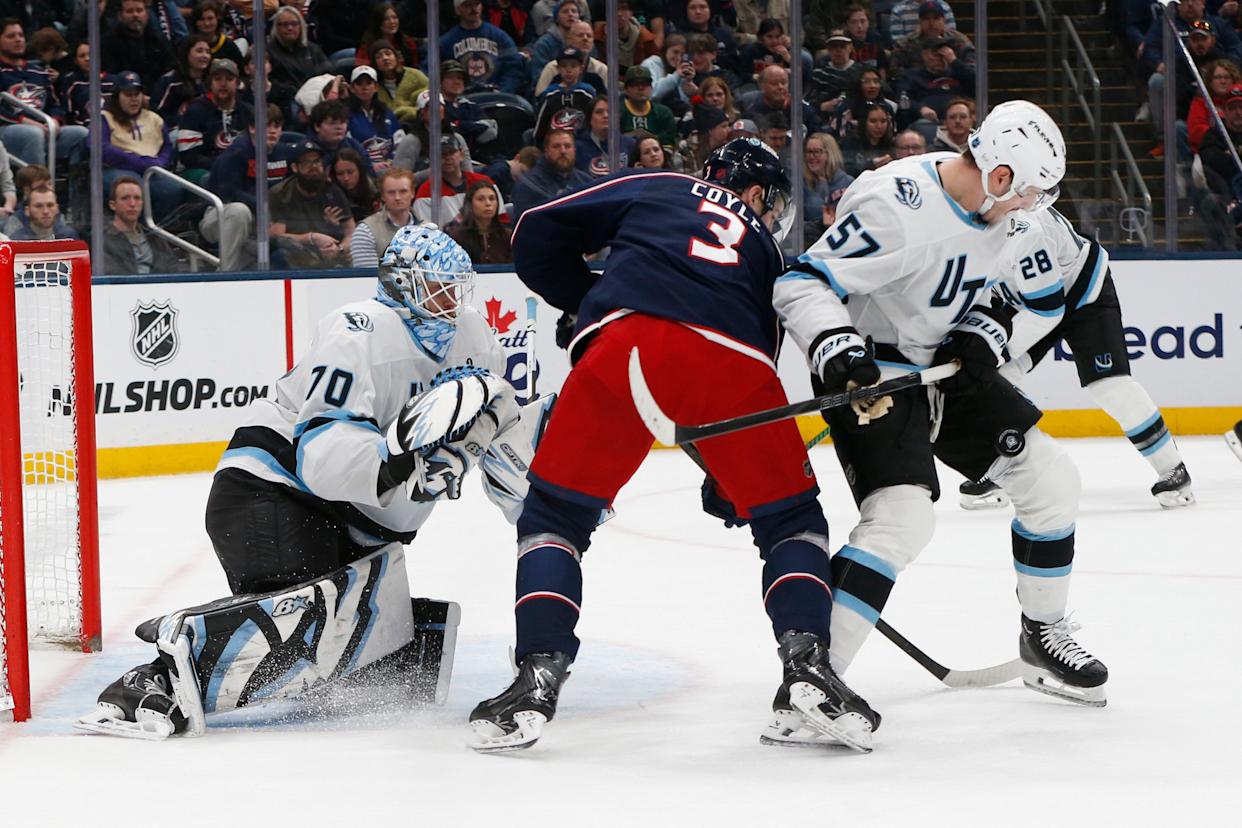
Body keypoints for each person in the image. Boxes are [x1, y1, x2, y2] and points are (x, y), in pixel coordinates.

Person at [470, 137, 881, 754]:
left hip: (622, 346)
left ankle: (536, 674)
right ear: (749, 192)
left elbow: (534, 230)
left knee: (554, 517)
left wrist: (587, 297)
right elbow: (741, 376)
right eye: (767, 201)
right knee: (791, 521)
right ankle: (809, 667)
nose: (768, 214)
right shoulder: (767, 251)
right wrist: (734, 483)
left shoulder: (660, 186)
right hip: (736, 366)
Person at [77, 224, 543, 740]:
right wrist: (398, 462)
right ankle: (155, 678)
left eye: (458, 288)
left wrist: (541, 508)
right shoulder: (358, 331)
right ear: (401, 284)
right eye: (438, 287)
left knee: (372, 663)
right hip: (271, 491)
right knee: (308, 633)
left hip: (361, 522)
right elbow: (323, 457)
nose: (451, 301)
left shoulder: (474, 337)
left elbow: (500, 425)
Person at [772, 100, 1110, 715]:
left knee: (1052, 481)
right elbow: (803, 282)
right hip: (876, 377)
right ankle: (811, 679)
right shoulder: (894, 205)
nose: (1033, 208)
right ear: (999, 175)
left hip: (948, 371)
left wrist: (986, 332)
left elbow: (1024, 300)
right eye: (1029, 193)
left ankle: (1042, 635)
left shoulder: (1006, 212)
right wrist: (835, 346)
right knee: (903, 521)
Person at [957, 207, 1195, 510]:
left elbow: (1047, 311)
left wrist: (996, 350)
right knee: (994, 380)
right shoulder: (964, 229)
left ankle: (1172, 468)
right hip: (1031, 299)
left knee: (1110, 386)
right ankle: (1000, 467)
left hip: (1084, 294)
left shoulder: (1025, 231)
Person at [0, 19, 88, 169]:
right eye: (11, 36)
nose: (18, 39)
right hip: (8, 129)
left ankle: (75, 189)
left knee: (81, 134)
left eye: (21, 35)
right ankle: (36, 188)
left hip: (43, 128)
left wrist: (55, 120)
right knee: (33, 134)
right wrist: (22, 120)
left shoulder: (38, 71)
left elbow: (55, 104)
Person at [102, 71, 182, 218]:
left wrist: (160, 162)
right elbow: (102, 149)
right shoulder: (105, 118)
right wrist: (138, 162)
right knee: (134, 188)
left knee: (174, 188)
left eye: (136, 94)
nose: (133, 99)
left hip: (151, 168)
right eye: (128, 94)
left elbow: (167, 147)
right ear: (117, 96)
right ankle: (135, 229)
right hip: (119, 167)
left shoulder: (154, 118)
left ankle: (155, 228)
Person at [269, 140, 356, 269]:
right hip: (297, 254)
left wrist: (340, 249)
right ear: (294, 167)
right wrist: (311, 238)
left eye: (317, 161)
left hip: (331, 254)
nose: (314, 167)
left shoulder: (332, 190)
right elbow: (277, 236)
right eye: (307, 162)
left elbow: (351, 232)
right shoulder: (281, 193)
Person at [175, 58, 253, 182]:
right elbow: (189, 156)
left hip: (240, 168)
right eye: (217, 79)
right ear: (210, 83)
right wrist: (223, 165)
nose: (223, 84)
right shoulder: (194, 111)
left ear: (238, 83)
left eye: (229, 79)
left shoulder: (249, 112)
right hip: (202, 171)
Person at [439, 0, 525, 94]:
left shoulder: (500, 37)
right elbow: (431, 71)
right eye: (468, 5)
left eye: (476, 4)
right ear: (457, 10)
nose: (473, 8)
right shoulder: (446, 42)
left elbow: (514, 69)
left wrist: (503, 91)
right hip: (461, 99)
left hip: (496, 96)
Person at [103, 175, 182, 275]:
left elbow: (172, 268)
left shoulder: (155, 237)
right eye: (125, 198)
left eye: (137, 198)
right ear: (113, 205)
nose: (132, 204)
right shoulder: (102, 239)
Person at [510, 128, 593, 220]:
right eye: (556, 146)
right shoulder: (527, 184)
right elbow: (527, 226)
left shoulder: (586, 182)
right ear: (546, 151)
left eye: (567, 146)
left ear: (574, 150)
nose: (563, 151)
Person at [351, 167, 415, 269]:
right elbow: (368, 279)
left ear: (412, 193)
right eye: (391, 192)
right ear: (382, 196)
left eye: (403, 191)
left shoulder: (428, 228)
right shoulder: (365, 231)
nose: (397, 197)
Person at [346, 64, 406, 173]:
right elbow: (346, 148)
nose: (364, 87)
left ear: (376, 87)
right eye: (359, 84)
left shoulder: (387, 113)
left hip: (391, 167)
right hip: (362, 170)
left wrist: (392, 161)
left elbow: (400, 141)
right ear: (352, 88)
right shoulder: (346, 115)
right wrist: (369, 165)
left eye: (369, 83)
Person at [101, 0, 173, 89]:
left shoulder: (158, 39)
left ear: (147, 14)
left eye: (139, 10)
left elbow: (167, 71)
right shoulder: (108, 41)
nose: (135, 15)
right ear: (120, 16)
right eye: (129, 11)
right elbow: (108, 74)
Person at [802, 132, 853, 248]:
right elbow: (796, 226)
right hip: (811, 245)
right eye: (809, 152)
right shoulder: (802, 185)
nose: (811, 156)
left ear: (830, 153)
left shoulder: (848, 183)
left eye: (817, 152)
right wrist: (820, 225)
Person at [268, 4, 333, 94]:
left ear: (301, 26)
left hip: (315, 94)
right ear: (276, 28)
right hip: (285, 97)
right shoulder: (268, 51)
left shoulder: (312, 49)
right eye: (284, 24)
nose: (290, 28)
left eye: (294, 24)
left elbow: (327, 73)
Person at [445, 178, 512, 264]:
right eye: (481, 199)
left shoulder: (507, 236)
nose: (488, 203)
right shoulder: (457, 239)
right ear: (470, 204)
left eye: (492, 199)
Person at [152, 33, 213, 125]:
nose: (204, 56)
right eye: (199, 51)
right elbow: (155, 113)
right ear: (187, 53)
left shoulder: (211, 81)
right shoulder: (170, 80)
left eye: (208, 52)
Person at [619, 64, 677, 148]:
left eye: (645, 84)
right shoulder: (617, 113)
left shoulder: (663, 113)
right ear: (626, 89)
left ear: (651, 88)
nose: (641, 87)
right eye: (635, 84)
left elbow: (669, 141)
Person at [576, 95, 634, 177]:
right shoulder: (578, 148)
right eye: (599, 112)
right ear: (589, 119)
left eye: (610, 112)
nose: (606, 116)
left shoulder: (630, 144)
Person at [355, 2, 420, 68]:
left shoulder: (408, 42)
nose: (392, 22)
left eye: (394, 18)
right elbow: (362, 69)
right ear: (378, 22)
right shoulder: (367, 45)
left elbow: (414, 67)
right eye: (386, 19)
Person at [840, 101, 895, 176]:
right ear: (864, 122)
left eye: (883, 121)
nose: (879, 126)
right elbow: (846, 170)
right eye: (873, 121)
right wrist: (870, 165)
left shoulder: (892, 144)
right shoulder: (850, 143)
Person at [7, 184, 78, 241]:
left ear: (57, 208)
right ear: (27, 211)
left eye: (50, 205)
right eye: (39, 206)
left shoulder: (69, 237)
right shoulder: (16, 241)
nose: (45, 211)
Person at [188, 0, 245, 67]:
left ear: (218, 19)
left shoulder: (229, 45)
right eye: (201, 19)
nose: (206, 23)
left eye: (210, 18)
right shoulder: (188, 44)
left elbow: (242, 72)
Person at [333, 148, 378, 222]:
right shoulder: (331, 196)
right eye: (340, 174)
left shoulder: (374, 191)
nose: (346, 178)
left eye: (350, 172)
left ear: (360, 171)